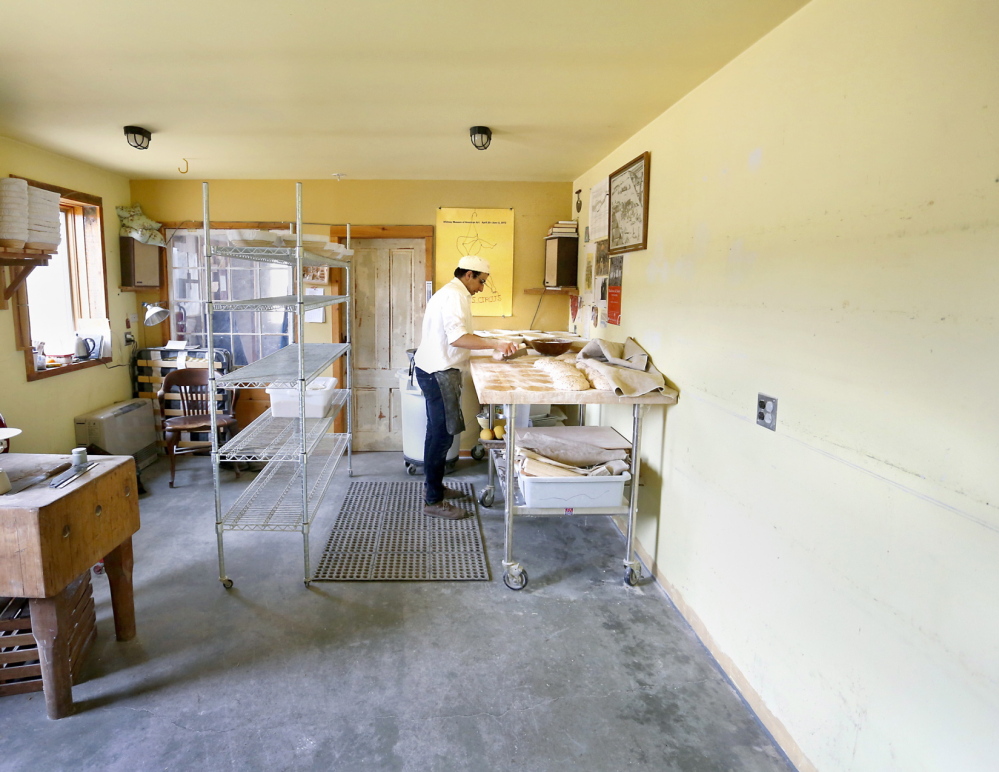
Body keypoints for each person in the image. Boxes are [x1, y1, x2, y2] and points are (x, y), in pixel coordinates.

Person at [413, 256, 519, 519]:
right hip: (438, 372)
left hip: (434, 369)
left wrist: (491, 341)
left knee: (437, 434)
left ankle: (435, 488)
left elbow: (459, 334)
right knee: (442, 437)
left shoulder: (453, 292)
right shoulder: (454, 296)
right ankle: (433, 501)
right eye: (481, 281)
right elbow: (458, 338)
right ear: (469, 274)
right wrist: (496, 344)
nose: (482, 288)